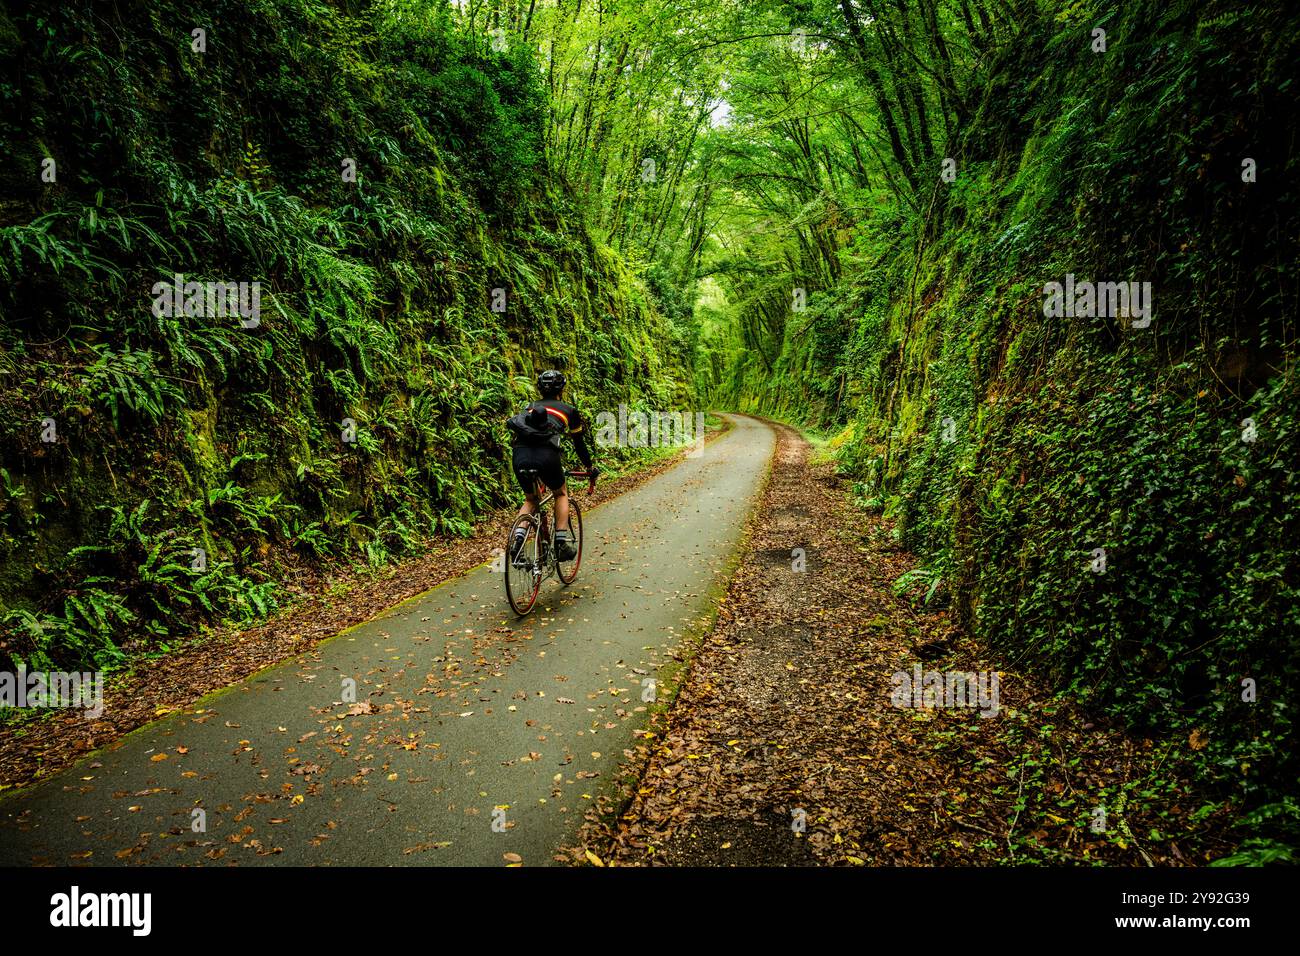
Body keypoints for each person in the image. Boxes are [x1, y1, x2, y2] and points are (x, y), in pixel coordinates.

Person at [508, 370, 597, 564]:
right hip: (547, 456)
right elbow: (579, 444)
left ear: (539, 388)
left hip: (519, 455)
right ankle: (561, 542)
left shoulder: (529, 407)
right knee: (560, 493)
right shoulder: (569, 410)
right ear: (562, 389)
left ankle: (518, 539)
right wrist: (589, 467)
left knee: (530, 499)